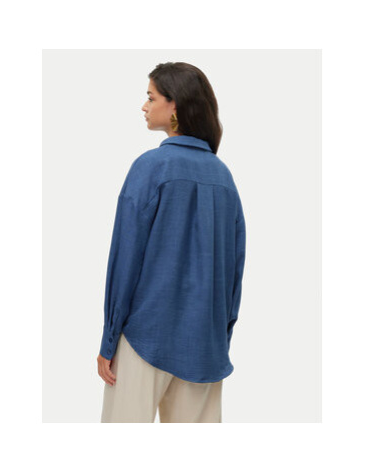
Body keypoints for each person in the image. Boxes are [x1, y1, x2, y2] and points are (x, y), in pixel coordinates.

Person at [97, 62, 246, 423]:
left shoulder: (151, 167)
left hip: (145, 337)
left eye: (151, 97)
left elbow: (125, 257)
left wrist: (109, 339)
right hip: (205, 343)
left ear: (174, 105)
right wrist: (220, 336)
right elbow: (234, 268)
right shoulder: (224, 177)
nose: (144, 106)